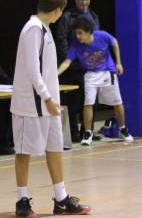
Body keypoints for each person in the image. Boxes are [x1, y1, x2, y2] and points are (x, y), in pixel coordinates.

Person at [11, 0, 90, 218]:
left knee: (55, 148)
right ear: (57, 10)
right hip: (31, 104)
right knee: (24, 151)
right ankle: (21, 200)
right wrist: (46, 97)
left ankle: (61, 199)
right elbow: (32, 70)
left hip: (49, 104)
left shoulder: (44, 29)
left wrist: (52, 99)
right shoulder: (32, 29)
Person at [57, 18, 134, 146]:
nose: (78, 36)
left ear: (88, 31)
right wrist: (55, 74)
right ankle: (88, 133)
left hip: (107, 72)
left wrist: (118, 62)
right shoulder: (76, 45)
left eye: (80, 33)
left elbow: (114, 42)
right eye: (76, 33)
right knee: (88, 103)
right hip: (90, 75)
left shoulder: (102, 36)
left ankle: (122, 130)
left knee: (117, 102)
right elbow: (67, 62)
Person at [56, 0, 100, 140]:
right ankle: (73, 132)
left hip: (91, 67)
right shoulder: (67, 16)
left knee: (90, 100)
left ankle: (87, 131)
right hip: (73, 67)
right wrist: (70, 60)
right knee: (72, 101)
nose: (84, 2)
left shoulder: (94, 16)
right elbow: (61, 40)